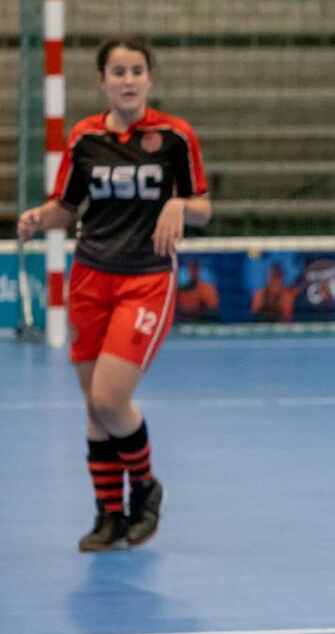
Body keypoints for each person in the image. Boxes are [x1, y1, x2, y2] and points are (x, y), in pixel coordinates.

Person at [17, 36, 211, 552]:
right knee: (93, 405)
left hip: (146, 279)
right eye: (118, 72)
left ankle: (145, 488)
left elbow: (203, 206)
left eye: (136, 71)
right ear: (101, 80)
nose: (128, 80)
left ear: (150, 77)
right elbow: (65, 208)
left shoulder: (175, 136)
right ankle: (109, 515)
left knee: (110, 398)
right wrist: (38, 218)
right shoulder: (84, 138)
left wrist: (179, 206)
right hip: (90, 276)